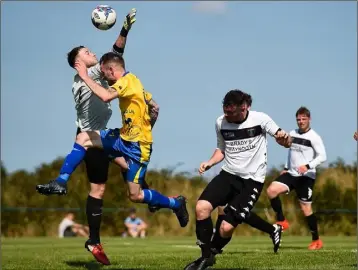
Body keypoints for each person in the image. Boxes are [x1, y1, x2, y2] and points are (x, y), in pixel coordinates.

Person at [36, 52, 189, 230]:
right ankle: (60, 182)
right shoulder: (134, 81)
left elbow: (106, 96)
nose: (104, 77)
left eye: (104, 73)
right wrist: (147, 123)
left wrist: (84, 75)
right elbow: (155, 106)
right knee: (83, 137)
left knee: (135, 196)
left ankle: (175, 204)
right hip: (122, 138)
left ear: (111, 69)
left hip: (137, 148)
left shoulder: (125, 81)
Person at [35, 9, 139, 266]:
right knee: (100, 187)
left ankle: (147, 199)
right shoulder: (88, 75)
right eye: (87, 52)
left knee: (129, 172)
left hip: (101, 135)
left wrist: (125, 30)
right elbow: (115, 56)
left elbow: (114, 56)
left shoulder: (90, 74)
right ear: (78, 63)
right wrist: (123, 31)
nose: (92, 52)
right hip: (91, 138)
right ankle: (91, 234)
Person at [184, 90, 292, 270]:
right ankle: (204, 258)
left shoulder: (261, 119)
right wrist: (210, 162)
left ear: (244, 108)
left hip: (252, 181)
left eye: (231, 113)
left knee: (226, 228)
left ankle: (213, 251)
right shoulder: (220, 122)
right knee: (201, 207)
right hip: (228, 175)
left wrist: (285, 139)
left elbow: (284, 139)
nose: (227, 116)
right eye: (225, 111)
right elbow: (221, 149)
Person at [266, 106, 327, 250]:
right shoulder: (292, 133)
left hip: (306, 177)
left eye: (303, 119)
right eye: (298, 119)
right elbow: (291, 152)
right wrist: (286, 168)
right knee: (271, 191)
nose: (301, 122)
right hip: (291, 174)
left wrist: (308, 165)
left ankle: (316, 240)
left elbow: (323, 156)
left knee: (306, 209)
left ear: (309, 119)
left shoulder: (314, 137)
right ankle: (282, 220)